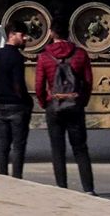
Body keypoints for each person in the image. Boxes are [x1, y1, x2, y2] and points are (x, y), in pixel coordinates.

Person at [35, 20, 95, 194]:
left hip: (54, 106)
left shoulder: (44, 56)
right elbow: (88, 82)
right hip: (74, 105)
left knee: (57, 149)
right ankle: (88, 189)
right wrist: (82, 101)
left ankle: (62, 188)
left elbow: (39, 85)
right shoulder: (80, 54)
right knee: (80, 149)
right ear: (68, 33)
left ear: (51, 33)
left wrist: (45, 103)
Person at [0, 23, 32, 178]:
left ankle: (2, 177)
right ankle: (17, 178)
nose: (25, 38)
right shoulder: (17, 57)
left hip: (1, 105)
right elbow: (18, 84)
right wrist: (27, 101)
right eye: (22, 35)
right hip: (17, 106)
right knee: (18, 147)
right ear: (12, 34)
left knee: (3, 145)